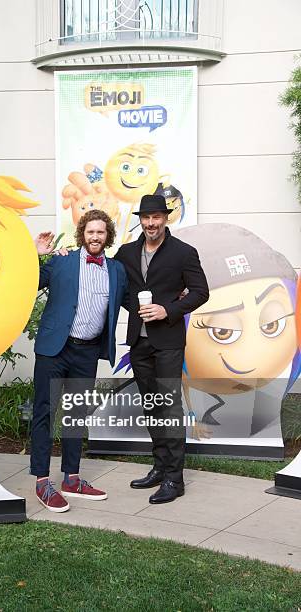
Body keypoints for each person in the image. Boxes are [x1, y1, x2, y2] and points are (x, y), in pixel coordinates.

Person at [114, 194, 209, 503]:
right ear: (140, 219)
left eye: (156, 217)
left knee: (169, 408)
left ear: (166, 218)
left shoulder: (184, 252)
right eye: (146, 217)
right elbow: (116, 285)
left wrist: (167, 310)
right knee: (152, 407)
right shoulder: (127, 253)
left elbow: (200, 292)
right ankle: (159, 467)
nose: (151, 223)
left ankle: (174, 479)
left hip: (167, 341)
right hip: (139, 342)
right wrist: (134, 307)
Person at [31, 209, 127, 512]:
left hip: (87, 352)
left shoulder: (117, 271)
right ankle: (42, 481)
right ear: (82, 235)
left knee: (75, 416)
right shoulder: (61, 261)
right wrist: (37, 256)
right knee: (45, 412)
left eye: (100, 232)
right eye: (90, 232)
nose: (95, 237)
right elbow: (28, 283)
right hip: (54, 348)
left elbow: (133, 300)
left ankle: (71, 478)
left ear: (107, 236)